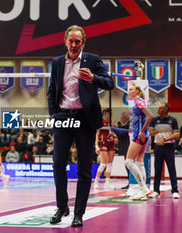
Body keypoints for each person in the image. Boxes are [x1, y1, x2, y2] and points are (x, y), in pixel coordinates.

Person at [47, 25, 114, 227]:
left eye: (78, 41)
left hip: (85, 119)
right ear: (65, 41)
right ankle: (62, 206)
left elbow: (109, 83)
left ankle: (79, 213)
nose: (74, 44)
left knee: (84, 169)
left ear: (83, 42)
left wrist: (93, 78)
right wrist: (53, 114)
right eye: (71, 41)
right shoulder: (58, 62)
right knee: (58, 164)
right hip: (63, 118)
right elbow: (52, 90)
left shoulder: (93, 60)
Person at [124, 83, 154, 200]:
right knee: (140, 163)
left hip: (139, 136)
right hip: (141, 135)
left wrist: (142, 131)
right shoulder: (138, 101)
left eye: (131, 89)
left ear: (137, 91)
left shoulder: (139, 101)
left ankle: (143, 188)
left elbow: (150, 116)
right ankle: (144, 190)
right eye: (129, 90)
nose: (129, 91)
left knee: (128, 162)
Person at [149, 102, 180, 199]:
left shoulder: (173, 120)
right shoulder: (154, 120)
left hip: (169, 147)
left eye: (160, 108)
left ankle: (175, 191)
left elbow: (176, 134)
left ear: (166, 109)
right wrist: (160, 130)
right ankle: (156, 190)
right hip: (158, 147)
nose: (158, 110)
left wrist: (165, 139)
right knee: (157, 169)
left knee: (171, 168)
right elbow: (150, 133)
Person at [94, 108, 117, 189]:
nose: (111, 115)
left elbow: (112, 133)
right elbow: (97, 134)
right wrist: (96, 146)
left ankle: (108, 182)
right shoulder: (101, 122)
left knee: (110, 164)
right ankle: (96, 181)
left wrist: (115, 138)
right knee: (103, 164)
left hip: (111, 144)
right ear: (106, 114)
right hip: (103, 143)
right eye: (110, 113)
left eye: (112, 114)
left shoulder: (111, 123)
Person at [114, 111, 131, 189]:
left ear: (125, 117)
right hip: (127, 148)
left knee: (129, 166)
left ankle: (131, 183)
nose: (120, 119)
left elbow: (121, 134)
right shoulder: (126, 125)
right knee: (127, 165)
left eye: (121, 117)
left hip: (128, 148)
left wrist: (113, 128)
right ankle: (130, 182)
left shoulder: (129, 124)